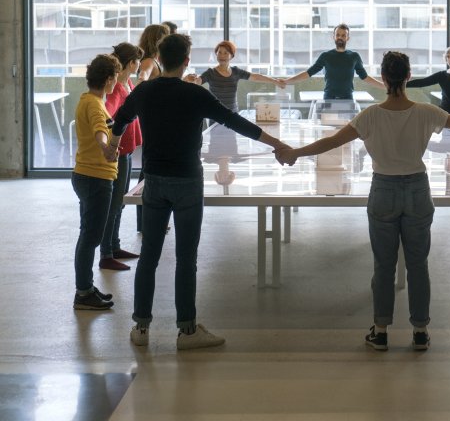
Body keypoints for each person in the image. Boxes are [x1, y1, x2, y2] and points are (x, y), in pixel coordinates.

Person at [276, 51, 450, 351]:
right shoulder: (426, 112)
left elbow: (332, 142)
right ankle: (421, 331)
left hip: (383, 190)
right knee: (418, 264)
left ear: (383, 79)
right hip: (417, 189)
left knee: (383, 266)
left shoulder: (370, 115)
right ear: (409, 77)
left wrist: (295, 152)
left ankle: (381, 330)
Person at [110, 34, 290, 350]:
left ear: (161, 59)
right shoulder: (194, 94)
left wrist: (112, 146)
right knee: (185, 258)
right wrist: (278, 145)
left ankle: (141, 327)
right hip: (187, 182)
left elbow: (121, 118)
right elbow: (235, 121)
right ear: (186, 62)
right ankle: (187, 331)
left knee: (149, 255)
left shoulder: (144, 90)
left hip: (154, 181)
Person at [72, 54, 121, 310]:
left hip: (91, 176)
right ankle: (83, 293)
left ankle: (86, 288)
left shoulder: (90, 100)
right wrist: (105, 147)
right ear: (110, 79)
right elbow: (100, 130)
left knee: (88, 234)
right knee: (91, 237)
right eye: (116, 77)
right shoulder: (93, 104)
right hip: (95, 178)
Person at [99, 43, 144, 271]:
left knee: (120, 202)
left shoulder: (127, 82)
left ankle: (114, 246)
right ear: (131, 62)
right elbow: (107, 112)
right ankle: (106, 253)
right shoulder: (117, 87)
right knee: (114, 203)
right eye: (137, 61)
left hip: (126, 149)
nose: (139, 65)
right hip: (119, 150)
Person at [284, 23, 386, 99]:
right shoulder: (326, 56)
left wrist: (385, 86)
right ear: (334, 37)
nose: (340, 37)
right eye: (338, 35)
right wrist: (286, 81)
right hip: (329, 98)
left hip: (347, 99)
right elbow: (308, 73)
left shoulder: (354, 56)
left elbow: (365, 77)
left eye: (343, 35)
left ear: (348, 38)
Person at [135, 23, 171, 232]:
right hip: (153, 121)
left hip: (157, 120)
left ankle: (148, 221)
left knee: (149, 169)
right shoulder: (149, 61)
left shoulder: (154, 60)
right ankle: (146, 222)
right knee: (148, 171)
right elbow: (142, 78)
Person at [187, 40, 285, 112]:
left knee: (233, 140)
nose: (222, 56)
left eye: (226, 53)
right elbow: (197, 82)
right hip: (215, 115)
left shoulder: (236, 71)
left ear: (231, 56)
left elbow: (255, 77)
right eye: (219, 53)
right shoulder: (210, 73)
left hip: (233, 114)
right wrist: (190, 80)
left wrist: (275, 81)